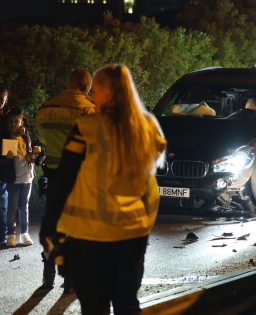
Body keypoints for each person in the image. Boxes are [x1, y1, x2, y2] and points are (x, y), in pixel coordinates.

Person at [39, 64, 166, 314]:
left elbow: (64, 180)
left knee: (95, 307)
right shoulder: (147, 127)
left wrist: (50, 227)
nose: (92, 96)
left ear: (108, 91)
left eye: (96, 90)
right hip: (133, 235)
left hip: (92, 239)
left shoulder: (87, 128)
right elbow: (150, 182)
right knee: (127, 303)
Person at [35, 69, 95, 290]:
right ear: (86, 86)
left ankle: (49, 270)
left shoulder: (46, 108)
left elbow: (43, 137)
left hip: (53, 172)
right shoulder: (89, 110)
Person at [0, 107, 42, 247]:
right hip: (14, 178)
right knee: (12, 207)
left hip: (27, 177)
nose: (13, 124)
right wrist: (6, 157)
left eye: (16, 121)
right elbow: (4, 161)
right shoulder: (6, 137)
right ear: (8, 123)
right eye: (11, 122)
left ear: (21, 122)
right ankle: (11, 234)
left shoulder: (26, 137)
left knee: (24, 207)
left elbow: (28, 156)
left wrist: (35, 156)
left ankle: (24, 233)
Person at [0, 86, 9, 246]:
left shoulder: (7, 117)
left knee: (2, 199)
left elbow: (10, 138)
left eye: (3, 97)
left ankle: (2, 235)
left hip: (3, 162)